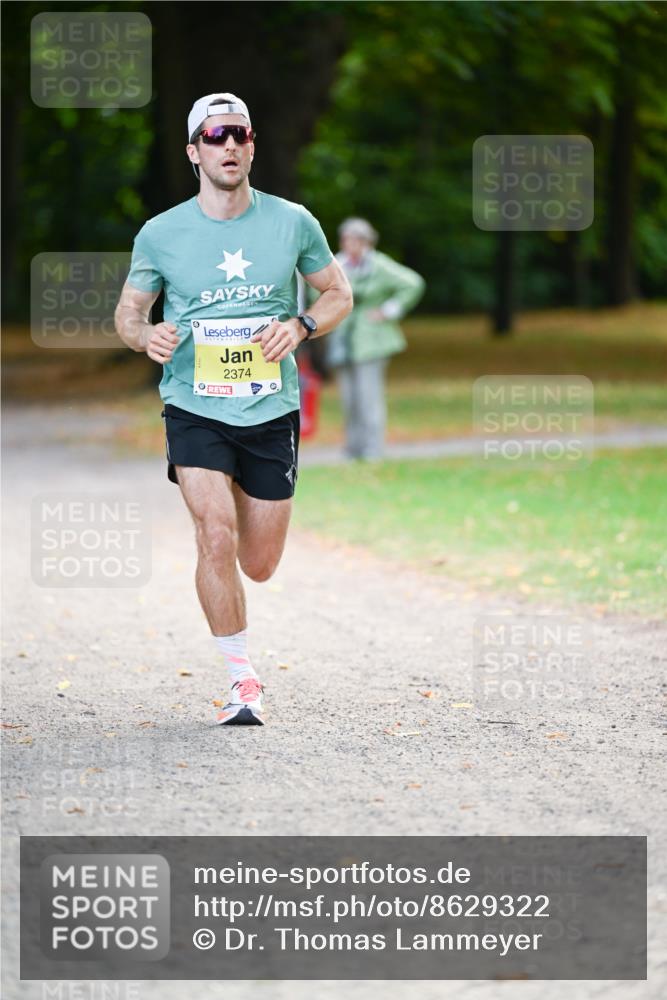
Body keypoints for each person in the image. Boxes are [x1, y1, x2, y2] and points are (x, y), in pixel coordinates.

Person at [114, 93, 352, 726]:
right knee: (213, 532)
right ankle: (241, 681)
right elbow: (129, 313)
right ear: (193, 151)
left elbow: (338, 293)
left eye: (238, 135)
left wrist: (301, 327)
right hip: (193, 404)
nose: (228, 146)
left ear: (251, 146)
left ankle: (248, 569)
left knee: (260, 562)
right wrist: (146, 337)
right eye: (214, 136)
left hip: (269, 407)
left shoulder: (293, 222)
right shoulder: (161, 233)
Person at [327, 218, 425, 460]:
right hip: (343, 339)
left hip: (372, 342)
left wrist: (388, 310)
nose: (350, 244)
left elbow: (413, 283)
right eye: (347, 239)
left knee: (368, 396)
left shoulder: (379, 265)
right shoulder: (337, 265)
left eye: (356, 239)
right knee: (349, 398)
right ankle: (352, 448)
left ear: (366, 241)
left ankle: (373, 450)